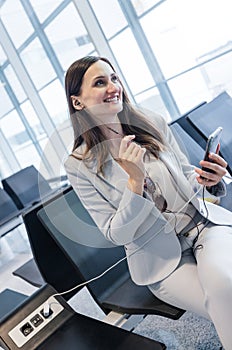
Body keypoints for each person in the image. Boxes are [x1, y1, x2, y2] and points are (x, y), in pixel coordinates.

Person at [64, 55, 232, 349]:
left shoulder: (151, 122)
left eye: (114, 78)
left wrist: (211, 179)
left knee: (225, 290)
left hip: (204, 228)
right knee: (225, 301)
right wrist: (134, 183)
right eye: (100, 82)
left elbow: (186, 178)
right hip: (161, 260)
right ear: (78, 102)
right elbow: (115, 233)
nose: (113, 87)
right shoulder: (79, 165)